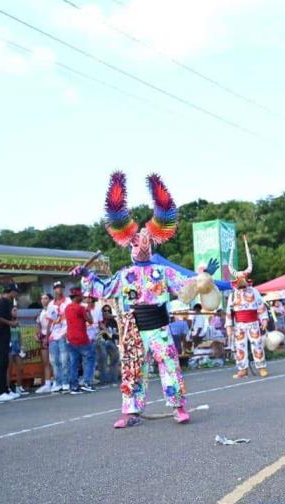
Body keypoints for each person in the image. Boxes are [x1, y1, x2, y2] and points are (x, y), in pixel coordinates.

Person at [76, 172, 198, 428]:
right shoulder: (125, 274)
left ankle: (178, 407)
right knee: (132, 369)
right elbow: (103, 289)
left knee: (169, 364)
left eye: (144, 243)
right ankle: (131, 412)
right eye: (135, 243)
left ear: (151, 246)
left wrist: (203, 277)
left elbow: (186, 286)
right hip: (133, 328)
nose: (140, 246)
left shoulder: (163, 272)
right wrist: (87, 274)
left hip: (159, 326)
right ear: (129, 247)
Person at [225, 236, 270, 378]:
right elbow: (229, 312)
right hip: (239, 324)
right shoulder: (233, 295)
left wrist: (264, 319)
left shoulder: (254, 291)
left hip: (253, 323)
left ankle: (261, 366)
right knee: (240, 347)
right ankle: (242, 369)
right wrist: (228, 326)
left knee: (257, 344)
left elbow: (261, 306)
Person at [0, 284, 20, 402]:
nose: (16, 294)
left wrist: (12, 319)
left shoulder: (8, 302)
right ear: (11, 291)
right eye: (15, 292)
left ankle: (5, 389)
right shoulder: (3, 301)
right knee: (1, 362)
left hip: (4, 334)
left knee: (5, 362)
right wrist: (10, 323)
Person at [64, 288, 95, 395]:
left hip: (70, 338)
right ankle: (87, 383)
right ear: (76, 297)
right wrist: (88, 311)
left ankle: (73, 386)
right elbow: (90, 321)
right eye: (80, 296)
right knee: (89, 359)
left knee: (74, 363)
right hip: (81, 338)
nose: (82, 297)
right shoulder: (81, 308)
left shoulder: (67, 308)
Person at [47, 281, 71, 393]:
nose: (59, 289)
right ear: (54, 289)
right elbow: (49, 321)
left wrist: (68, 332)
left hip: (64, 333)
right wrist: (47, 336)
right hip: (53, 335)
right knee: (54, 361)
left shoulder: (68, 302)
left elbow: (72, 318)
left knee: (64, 360)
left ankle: (66, 382)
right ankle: (58, 382)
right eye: (57, 287)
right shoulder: (51, 304)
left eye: (61, 287)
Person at [34, 293, 55, 394]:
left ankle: (56, 381)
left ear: (50, 300)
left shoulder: (53, 310)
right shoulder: (40, 312)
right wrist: (37, 334)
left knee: (54, 361)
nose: (43, 300)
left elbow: (53, 324)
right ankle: (47, 384)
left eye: (46, 298)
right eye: (42, 298)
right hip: (43, 338)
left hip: (52, 337)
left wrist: (48, 336)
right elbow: (38, 324)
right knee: (46, 362)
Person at [97, 304, 121, 384]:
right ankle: (104, 380)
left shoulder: (113, 321)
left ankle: (113, 378)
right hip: (102, 341)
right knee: (103, 361)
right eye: (105, 311)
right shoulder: (100, 321)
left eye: (108, 310)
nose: (107, 312)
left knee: (115, 359)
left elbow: (116, 332)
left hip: (111, 341)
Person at [7, 306, 27, 396]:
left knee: (21, 367)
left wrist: (22, 345)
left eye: (16, 311)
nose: (16, 312)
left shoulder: (17, 322)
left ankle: (19, 386)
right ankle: (8, 388)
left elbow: (19, 334)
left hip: (17, 346)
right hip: (10, 346)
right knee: (9, 368)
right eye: (14, 310)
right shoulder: (7, 322)